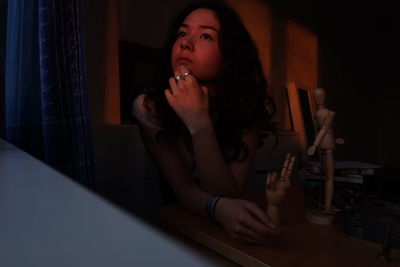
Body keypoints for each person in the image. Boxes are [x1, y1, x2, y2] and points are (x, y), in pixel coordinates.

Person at [133, 1, 281, 244]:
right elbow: (181, 188)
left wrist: (200, 123)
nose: (185, 42)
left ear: (228, 57)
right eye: (182, 33)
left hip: (222, 236)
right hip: (171, 230)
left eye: (205, 36)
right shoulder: (150, 107)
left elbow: (227, 192)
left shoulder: (248, 108)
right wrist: (219, 208)